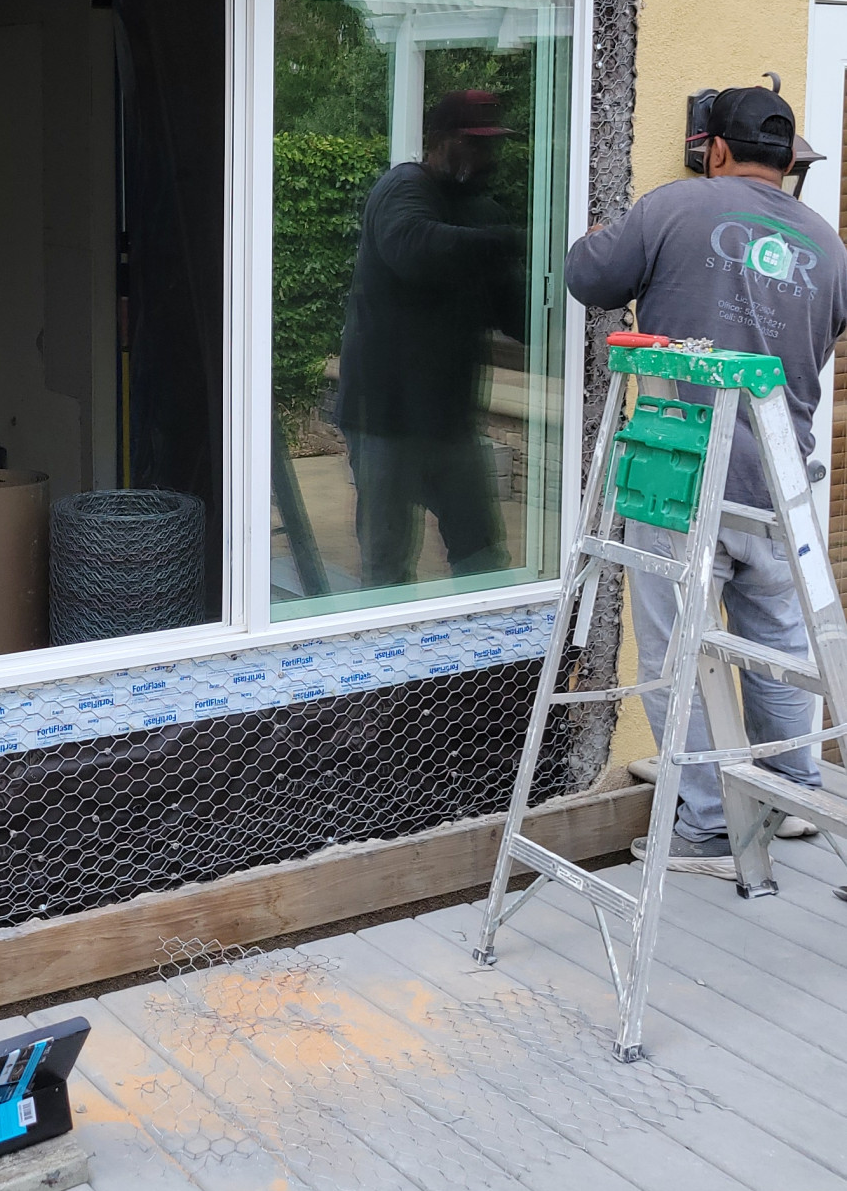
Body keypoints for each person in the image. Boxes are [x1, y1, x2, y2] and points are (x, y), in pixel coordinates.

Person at [565, 83, 847, 872]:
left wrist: (595, 238)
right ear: (788, 161)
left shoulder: (670, 210)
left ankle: (708, 827)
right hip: (779, 482)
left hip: (683, 472)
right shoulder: (828, 244)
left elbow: (591, 279)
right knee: (780, 643)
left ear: (713, 148)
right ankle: (794, 790)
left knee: (672, 655)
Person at [338, 89, 524, 588]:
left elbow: (515, 314)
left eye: (491, 145)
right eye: (473, 143)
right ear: (440, 141)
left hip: (447, 419)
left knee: (482, 555)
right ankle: (385, 662)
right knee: (388, 561)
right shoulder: (403, 188)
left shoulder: (482, 212)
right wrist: (519, 240)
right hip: (384, 416)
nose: (485, 155)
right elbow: (415, 249)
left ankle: (490, 663)